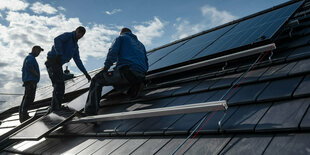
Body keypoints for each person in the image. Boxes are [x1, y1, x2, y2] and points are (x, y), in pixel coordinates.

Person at [83, 28, 148, 116]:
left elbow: (112, 52)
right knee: (117, 73)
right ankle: (132, 89)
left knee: (97, 79)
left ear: (121, 33)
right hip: (140, 75)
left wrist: (105, 68)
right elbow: (146, 62)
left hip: (127, 73)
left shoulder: (121, 38)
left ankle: (90, 111)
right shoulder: (141, 45)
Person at [45, 26, 91, 112]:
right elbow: (56, 39)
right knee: (59, 84)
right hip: (53, 62)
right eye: (78, 33)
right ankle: (55, 107)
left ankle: (55, 106)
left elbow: (78, 60)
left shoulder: (75, 46)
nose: (79, 36)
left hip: (58, 64)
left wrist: (86, 73)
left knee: (59, 85)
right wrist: (59, 54)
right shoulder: (68, 36)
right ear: (76, 31)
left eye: (81, 35)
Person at [20, 45, 44, 122]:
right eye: (38, 51)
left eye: (40, 51)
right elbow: (29, 65)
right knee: (29, 97)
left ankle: (23, 114)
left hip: (29, 81)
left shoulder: (29, 57)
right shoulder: (30, 58)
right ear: (34, 50)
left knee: (27, 97)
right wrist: (36, 74)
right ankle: (24, 115)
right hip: (31, 81)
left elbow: (23, 68)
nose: (39, 53)